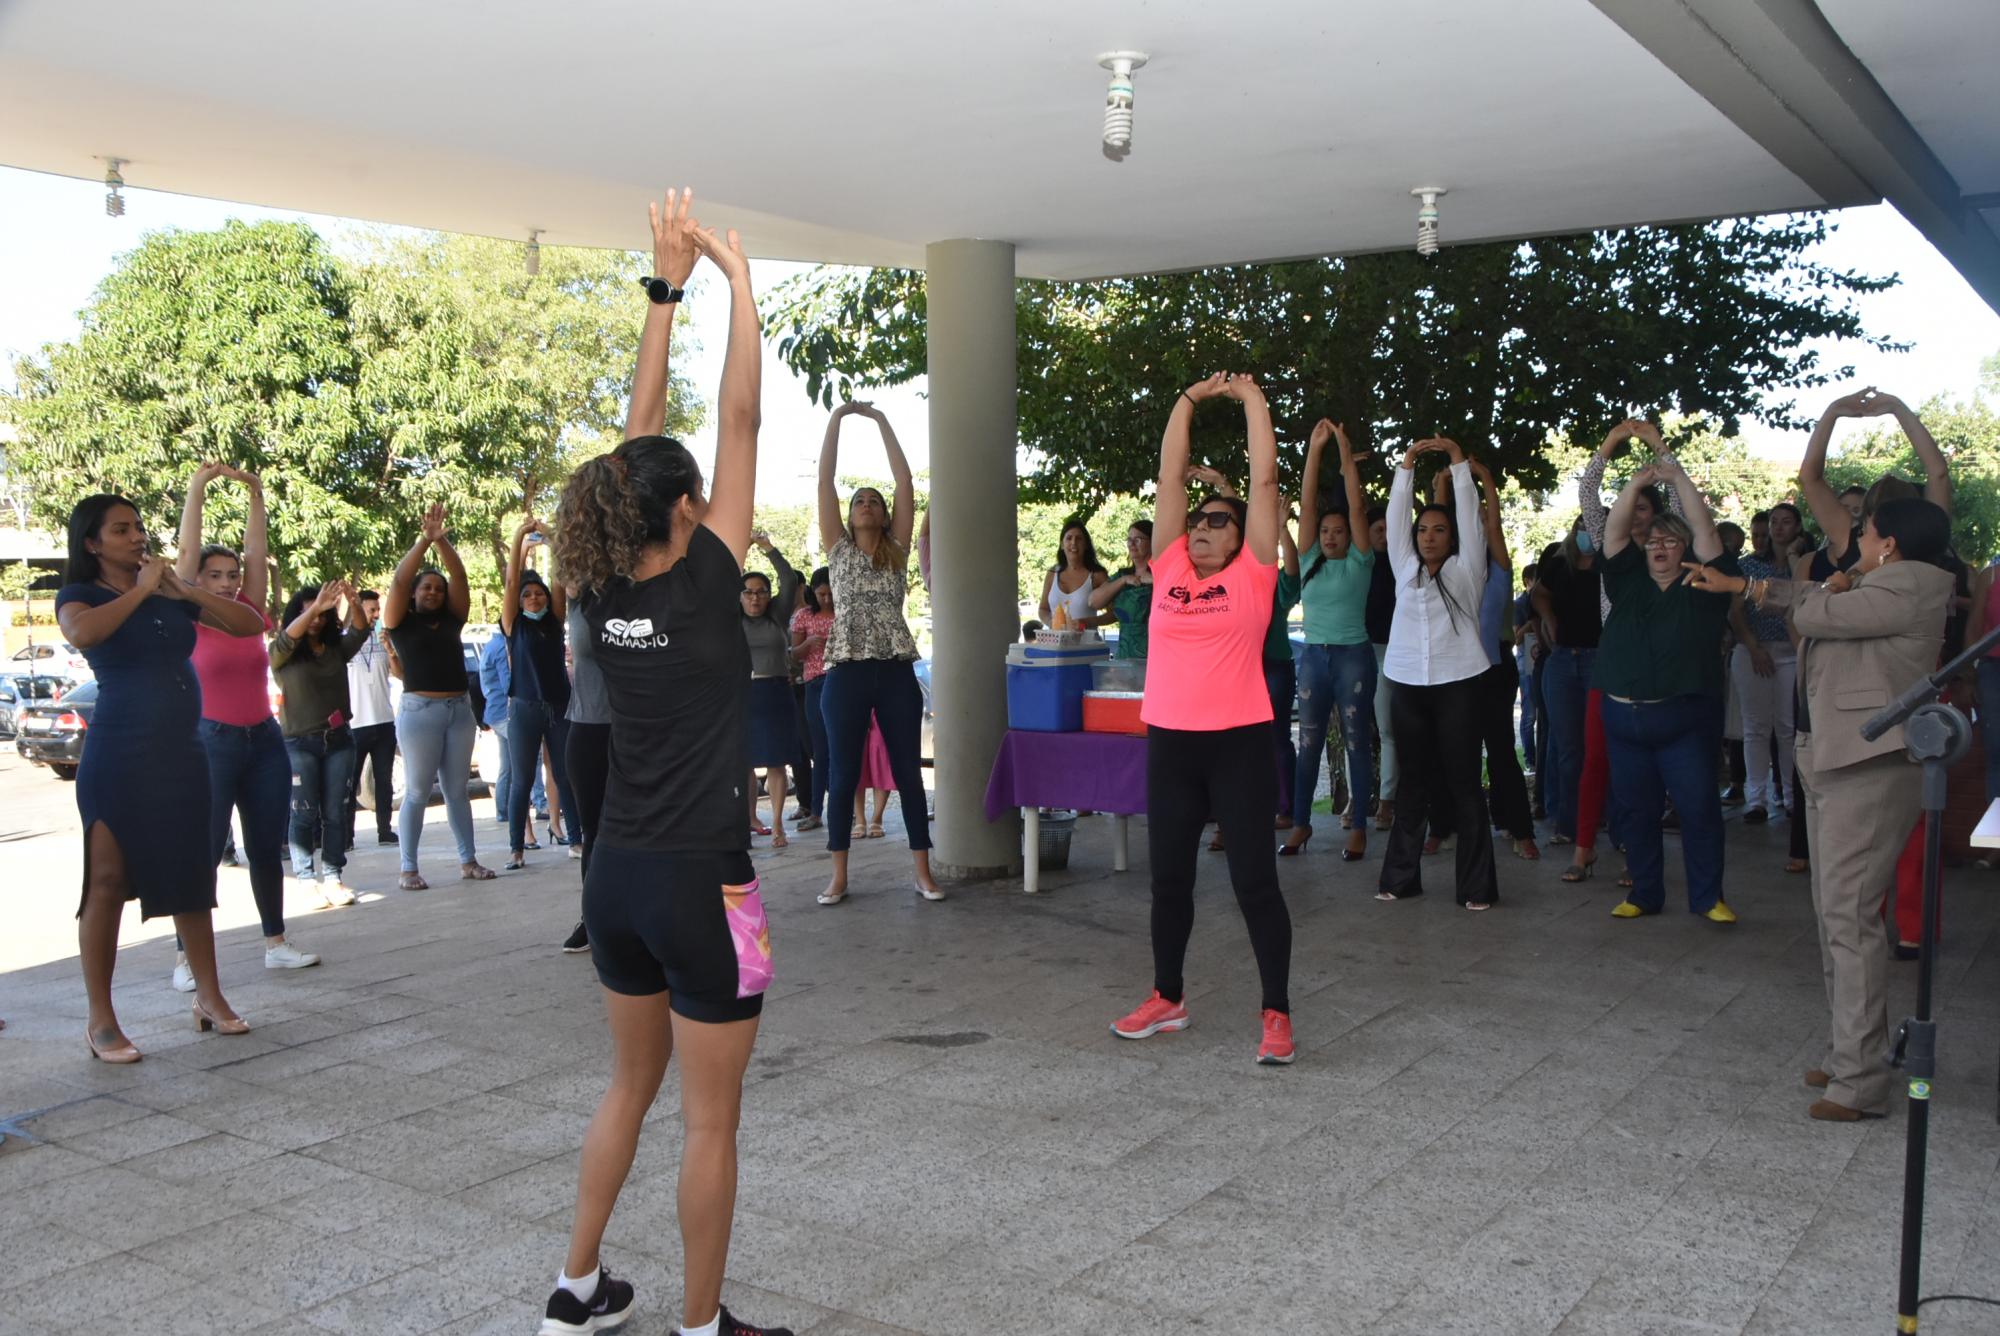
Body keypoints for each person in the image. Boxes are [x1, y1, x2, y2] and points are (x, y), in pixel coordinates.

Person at [545, 191, 792, 1336]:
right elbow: (736, 423)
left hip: (616, 877)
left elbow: (627, 456)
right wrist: (743, 292)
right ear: (687, 510)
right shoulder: (703, 585)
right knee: (708, 1121)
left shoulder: (599, 589)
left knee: (625, 1089)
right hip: (710, 884)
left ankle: (576, 1285)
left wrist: (668, 288)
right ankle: (700, 1327)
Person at [1694, 498, 1954, 1119]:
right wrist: (1780, 585)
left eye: (1864, 530)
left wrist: (1767, 586)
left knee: (1850, 921)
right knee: (1835, 915)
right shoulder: (1872, 581)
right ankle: (1847, 1057)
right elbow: (1814, 598)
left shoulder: (1911, 585)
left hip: (1869, 768)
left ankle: (1861, 1082)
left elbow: (1816, 613)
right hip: (1836, 759)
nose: (1855, 539)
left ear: (1887, 542)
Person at [1111, 371, 1294, 1065]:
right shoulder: (1169, 572)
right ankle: (1168, 996)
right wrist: (1186, 401)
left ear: (1242, 534)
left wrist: (1250, 401)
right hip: (1172, 746)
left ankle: (1276, 1012)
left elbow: (1269, 483)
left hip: (1239, 746)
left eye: (1220, 519)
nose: (1203, 527)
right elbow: (1169, 477)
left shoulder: (1253, 577)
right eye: (1199, 519)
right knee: (1169, 883)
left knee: (1254, 882)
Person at [60, 493, 265, 1061]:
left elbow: (250, 624)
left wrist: (183, 589)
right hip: (120, 754)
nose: (137, 537)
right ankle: (101, 1020)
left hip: (182, 753)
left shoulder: (172, 592)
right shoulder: (80, 595)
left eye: (138, 527)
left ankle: (210, 998)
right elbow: (84, 634)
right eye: (121, 530)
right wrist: (144, 591)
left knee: (191, 878)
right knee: (105, 882)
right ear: (92, 543)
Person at [173, 463, 318, 991]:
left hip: (263, 740)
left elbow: (256, 553)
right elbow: (185, 558)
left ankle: (275, 943)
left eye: (232, 576)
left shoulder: (248, 612)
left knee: (265, 845)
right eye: (216, 576)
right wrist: (199, 489)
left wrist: (256, 492)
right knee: (206, 848)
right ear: (198, 582)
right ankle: (188, 956)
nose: (229, 583)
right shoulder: (188, 615)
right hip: (212, 741)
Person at [1594, 459, 1737, 922]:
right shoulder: (1628, 579)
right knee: (1635, 812)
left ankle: (1707, 897)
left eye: (1670, 540)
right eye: (1653, 541)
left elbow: (1706, 529)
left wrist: (1677, 479)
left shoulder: (1704, 585)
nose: (1658, 547)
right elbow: (1615, 532)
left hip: (1681, 722)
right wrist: (1636, 482)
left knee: (1697, 809)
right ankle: (1644, 894)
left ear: (1685, 549)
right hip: (1622, 719)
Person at [813, 401, 941, 905]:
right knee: (842, 774)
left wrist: (881, 421)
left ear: (885, 514)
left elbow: (905, 480)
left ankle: (923, 871)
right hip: (845, 671)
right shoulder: (838, 550)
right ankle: (839, 875)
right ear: (849, 514)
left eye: (874, 500)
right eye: (859, 500)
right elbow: (825, 481)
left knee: (908, 770)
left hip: (893, 671)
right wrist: (837, 420)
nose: (866, 503)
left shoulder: (898, 547)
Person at [1557, 419, 1679, 885]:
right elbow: (1589, 492)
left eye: (1646, 507)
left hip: (1658, 668)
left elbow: (1681, 489)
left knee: (1643, 768)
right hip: (1612, 665)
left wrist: (1658, 447)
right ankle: (1584, 848)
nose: (1639, 514)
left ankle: (1635, 852)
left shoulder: (1672, 551)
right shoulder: (1611, 547)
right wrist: (1611, 442)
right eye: (1633, 505)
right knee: (1596, 759)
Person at [1376, 438, 1496, 909]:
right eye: (1422, 529)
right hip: (1407, 685)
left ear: (1452, 537)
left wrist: (1457, 462)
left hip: (1460, 684)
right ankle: (1400, 878)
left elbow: (1470, 514)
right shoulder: (1404, 568)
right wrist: (1405, 467)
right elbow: (1393, 518)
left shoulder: (1468, 571)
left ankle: (1476, 887)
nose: (1428, 536)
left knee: (1465, 783)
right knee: (1412, 784)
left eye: (1439, 529)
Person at [383, 503, 494, 890]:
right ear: (415, 594)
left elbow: (459, 574)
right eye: (426, 587)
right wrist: (422, 541)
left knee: (457, 790)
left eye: (438, 589)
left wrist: (441, 539)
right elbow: (399, 582)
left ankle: (469, 861)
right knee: (416, 791)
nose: (433, 592)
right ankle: (408, 868)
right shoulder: (399, 621)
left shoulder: (452, 618)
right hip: (420, 712)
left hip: (459, 710)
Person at [1284, 419, 1376, 861]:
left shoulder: (1360, 560)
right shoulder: (1309, 560)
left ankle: (1359, 827)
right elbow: (1305, 501)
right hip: (1313, 660)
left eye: (1338, 531)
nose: (1332, 535)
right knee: (1309, 744)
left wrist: (1343, 448)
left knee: (1358, 741)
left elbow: (1357, 508)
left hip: (1352, 657)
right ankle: (1301, 824)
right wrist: (1313, 451)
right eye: (1325, 532)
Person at [1443, 458, 1537, 860]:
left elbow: (1494, 526)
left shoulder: (1498, 568)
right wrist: (1441, 488)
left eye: (1480, 519)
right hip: (1454, 669)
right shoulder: (1450, 566)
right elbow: (1440, 519)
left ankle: (1518, 828)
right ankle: (1445, 826)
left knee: (1500, 752)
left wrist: (1485, 480)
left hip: (1495, 668)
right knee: (1451, 753)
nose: (1477, 524)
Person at [270, 580, 370, 900]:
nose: (316, 618)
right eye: (309, 612)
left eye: (322, 613)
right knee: (303, 810)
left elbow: (359, 632)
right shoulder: (282, 652)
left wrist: (353, 602)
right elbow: (287, 639)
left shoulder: (334, 649)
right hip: (299, 742)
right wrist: (315, 605)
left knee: (335, 811)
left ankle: (333, 876)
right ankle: (305, 878)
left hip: (339, 740)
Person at [501, 519, 577, 871]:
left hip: (559, 706)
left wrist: (552, 539)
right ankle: (517, 848)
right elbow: (513, 581)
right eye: (528, 595)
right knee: (521, 780)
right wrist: (519, 539)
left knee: (565, 774)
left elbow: (560, 579)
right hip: (524, 708)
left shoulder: (554, 619)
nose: (535, 597)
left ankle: (576, 839)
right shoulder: (513, 625)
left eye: (539, 593)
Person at [1728, 502, 1804, 824]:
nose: (1779, 528)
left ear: (1798, 528)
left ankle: (1790, 797)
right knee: (1755, 728)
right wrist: (1754, 647)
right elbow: (1735, 611)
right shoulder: (1748, 565)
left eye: (1787, 522)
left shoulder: (1802, 564)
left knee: (1788, 728)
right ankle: (1755, 799)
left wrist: (1794, 559)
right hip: (1752, 651)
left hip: (1791, 651)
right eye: (1774, 522)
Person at [561, 574, 613, 953]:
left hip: (640, 731)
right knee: (593, 832)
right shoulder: (577, 601)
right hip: (588, 728)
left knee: (646, 826)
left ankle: (645, 917)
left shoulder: (640, 594)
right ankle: (593, 918)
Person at [741, 534, 802, 847]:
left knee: (777, 762)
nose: (755, 598)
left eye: (761, 592)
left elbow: (789, 579)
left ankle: (777, 824)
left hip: (775, 692)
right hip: (740, 696)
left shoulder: (777, 615)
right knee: (743, 764)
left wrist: (767, 548)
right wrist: (738, 547)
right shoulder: (729, 617)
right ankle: (750, 820)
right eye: (748, 592)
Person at [343, 589, 399, 850]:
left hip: (384, 721)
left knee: (384, 780)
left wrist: (389, 649)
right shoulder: (345, 643)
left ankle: (385, 830)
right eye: (371, 610)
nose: (376, 615)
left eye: (378, 610)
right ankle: (346, 835)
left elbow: (399, 674)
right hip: (355, 724)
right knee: (350, 782)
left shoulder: (384, 639)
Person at [789, 568, 836, 834]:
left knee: (841, 749)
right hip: (814, 683)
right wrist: (809, 645)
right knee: (819, 751)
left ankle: (850, 810)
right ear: (813, 592)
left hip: (841, 682)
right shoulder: (803, 616)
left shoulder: (846, 613)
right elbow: (794, 654)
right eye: (821, 594)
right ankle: (816, 811)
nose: (827, 600)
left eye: (831, 594)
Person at [1363, 505, 1397, 830]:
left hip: (1391, 652)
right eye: (1378, 531)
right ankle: (1356, 803)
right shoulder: (1360, 565)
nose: (1384, 537)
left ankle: (1386, 803)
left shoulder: (1401, 564)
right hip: (1360, 650)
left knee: (1388, 730)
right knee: (1356, 731)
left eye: (1389, 530)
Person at [1090, 519, 1154, 660]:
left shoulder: (1162, 573)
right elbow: (1093, 601)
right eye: (1129, 539)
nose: (1131, 544)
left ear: (1151, 541)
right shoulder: (1122, 575)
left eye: (1138, 539)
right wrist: (1123, 580)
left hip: (1154, 654)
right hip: (1125, 653)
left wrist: (1156, 580)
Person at [1040, 520, 1108, 630]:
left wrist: (1086, 622)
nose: (1073, 543)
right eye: (1069, 538)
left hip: (1087, 645)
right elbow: (1043, 609)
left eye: (1079, 538)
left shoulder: (1097, 575)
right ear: (1062, 545)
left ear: (1086, 545)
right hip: (1056, 645)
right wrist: (1050, 622)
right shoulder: (1052, 574)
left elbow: (1114, 614)